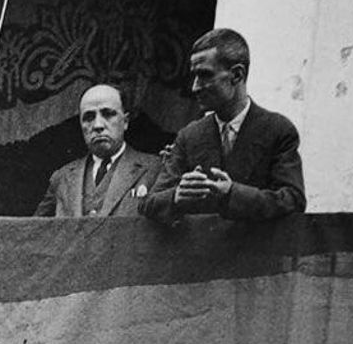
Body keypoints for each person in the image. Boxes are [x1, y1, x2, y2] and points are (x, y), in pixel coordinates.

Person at [141, 28, 305, 224]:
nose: (195, 87)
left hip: (255, 252)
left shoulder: (278, 131)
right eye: (194, 76)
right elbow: (149, 204)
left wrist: (232, 193)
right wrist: (176, 197)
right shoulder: (190, 135)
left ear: (236, 75)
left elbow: (293, 201)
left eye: (204, 75)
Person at [35, 84, 160, 217]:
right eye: (89, 117)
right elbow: (35, 230)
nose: (98, 125)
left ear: (125, 121)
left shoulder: (154, 169)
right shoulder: (61, 178)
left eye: (108, 114)